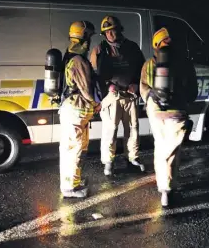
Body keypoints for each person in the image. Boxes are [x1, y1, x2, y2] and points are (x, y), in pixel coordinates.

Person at [140, 28, 197, 207]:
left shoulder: (149, 64)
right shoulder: (185, 63)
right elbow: (192, 92)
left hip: (155, 112)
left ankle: (161, 185)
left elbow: (144, 89)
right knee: (172, 152)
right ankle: (168, 191)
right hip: (176, 112)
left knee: (160, 146)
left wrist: (153, 103)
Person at [89, 16, 146, 176]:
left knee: (133, 129)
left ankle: (133, 158)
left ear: (119, 30)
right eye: (107, 32)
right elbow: (94, 75)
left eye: (113, 30)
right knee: (110, 130)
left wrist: (136, 84)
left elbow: (142, 71)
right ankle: (108, 162)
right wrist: (107, 86)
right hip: (111, 97)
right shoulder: (99, 50)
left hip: (130, 95)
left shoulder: (132, 48)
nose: (110, 35)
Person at [59, 21, 101, 198]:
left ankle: (73, 181)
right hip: (76, 108)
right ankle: (70, 188)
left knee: (76, 145)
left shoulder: (69, 55)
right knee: (74, 147)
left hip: (72, 108)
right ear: (84, 37)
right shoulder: (78, 60)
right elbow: (86, 89)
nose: (89, 41)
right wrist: (96, 103)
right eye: (88, 37)